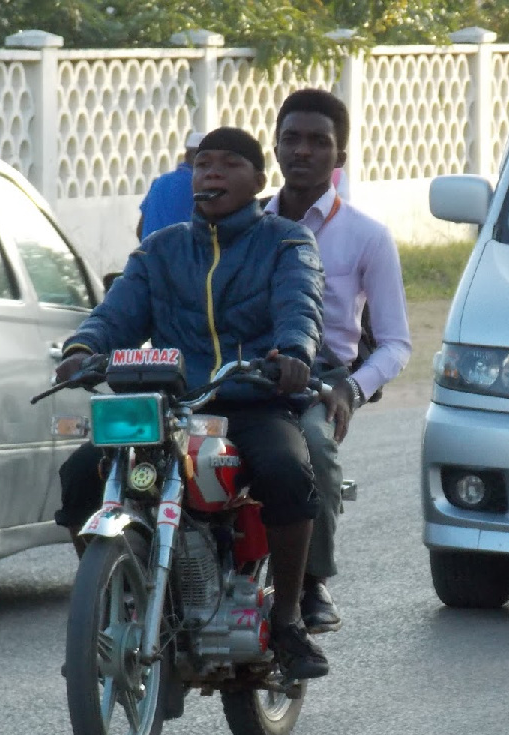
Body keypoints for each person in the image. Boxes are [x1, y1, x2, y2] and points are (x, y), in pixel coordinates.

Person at [53, 127, 331, 680]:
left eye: (229, 164)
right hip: (173, 404)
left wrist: (294, 353)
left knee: (284, 468)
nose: (212, 174)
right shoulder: (160, 250)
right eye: (204, 164)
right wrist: (83, 348)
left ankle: (287, 618)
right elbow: (116, 313)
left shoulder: (286, 242)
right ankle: (117, 600)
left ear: (258, 180)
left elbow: (301, 305)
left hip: (253, 399)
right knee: (82, 471)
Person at [265, 88, 412, 634]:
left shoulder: (367, 237)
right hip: (251, 371)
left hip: (323, 379)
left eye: (318, 142)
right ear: (276, 149)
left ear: (339, 159)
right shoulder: (249, 226)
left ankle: (310, 582)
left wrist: (351, 389)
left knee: (314, 453)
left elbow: (397, 343)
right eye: (291, 139)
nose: (303, 151)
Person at [137, 130, 205, 240]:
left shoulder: (160, 181)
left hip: (149, 253)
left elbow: (140, 231)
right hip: (180, 254)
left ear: (186, 155)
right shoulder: (202, 185)